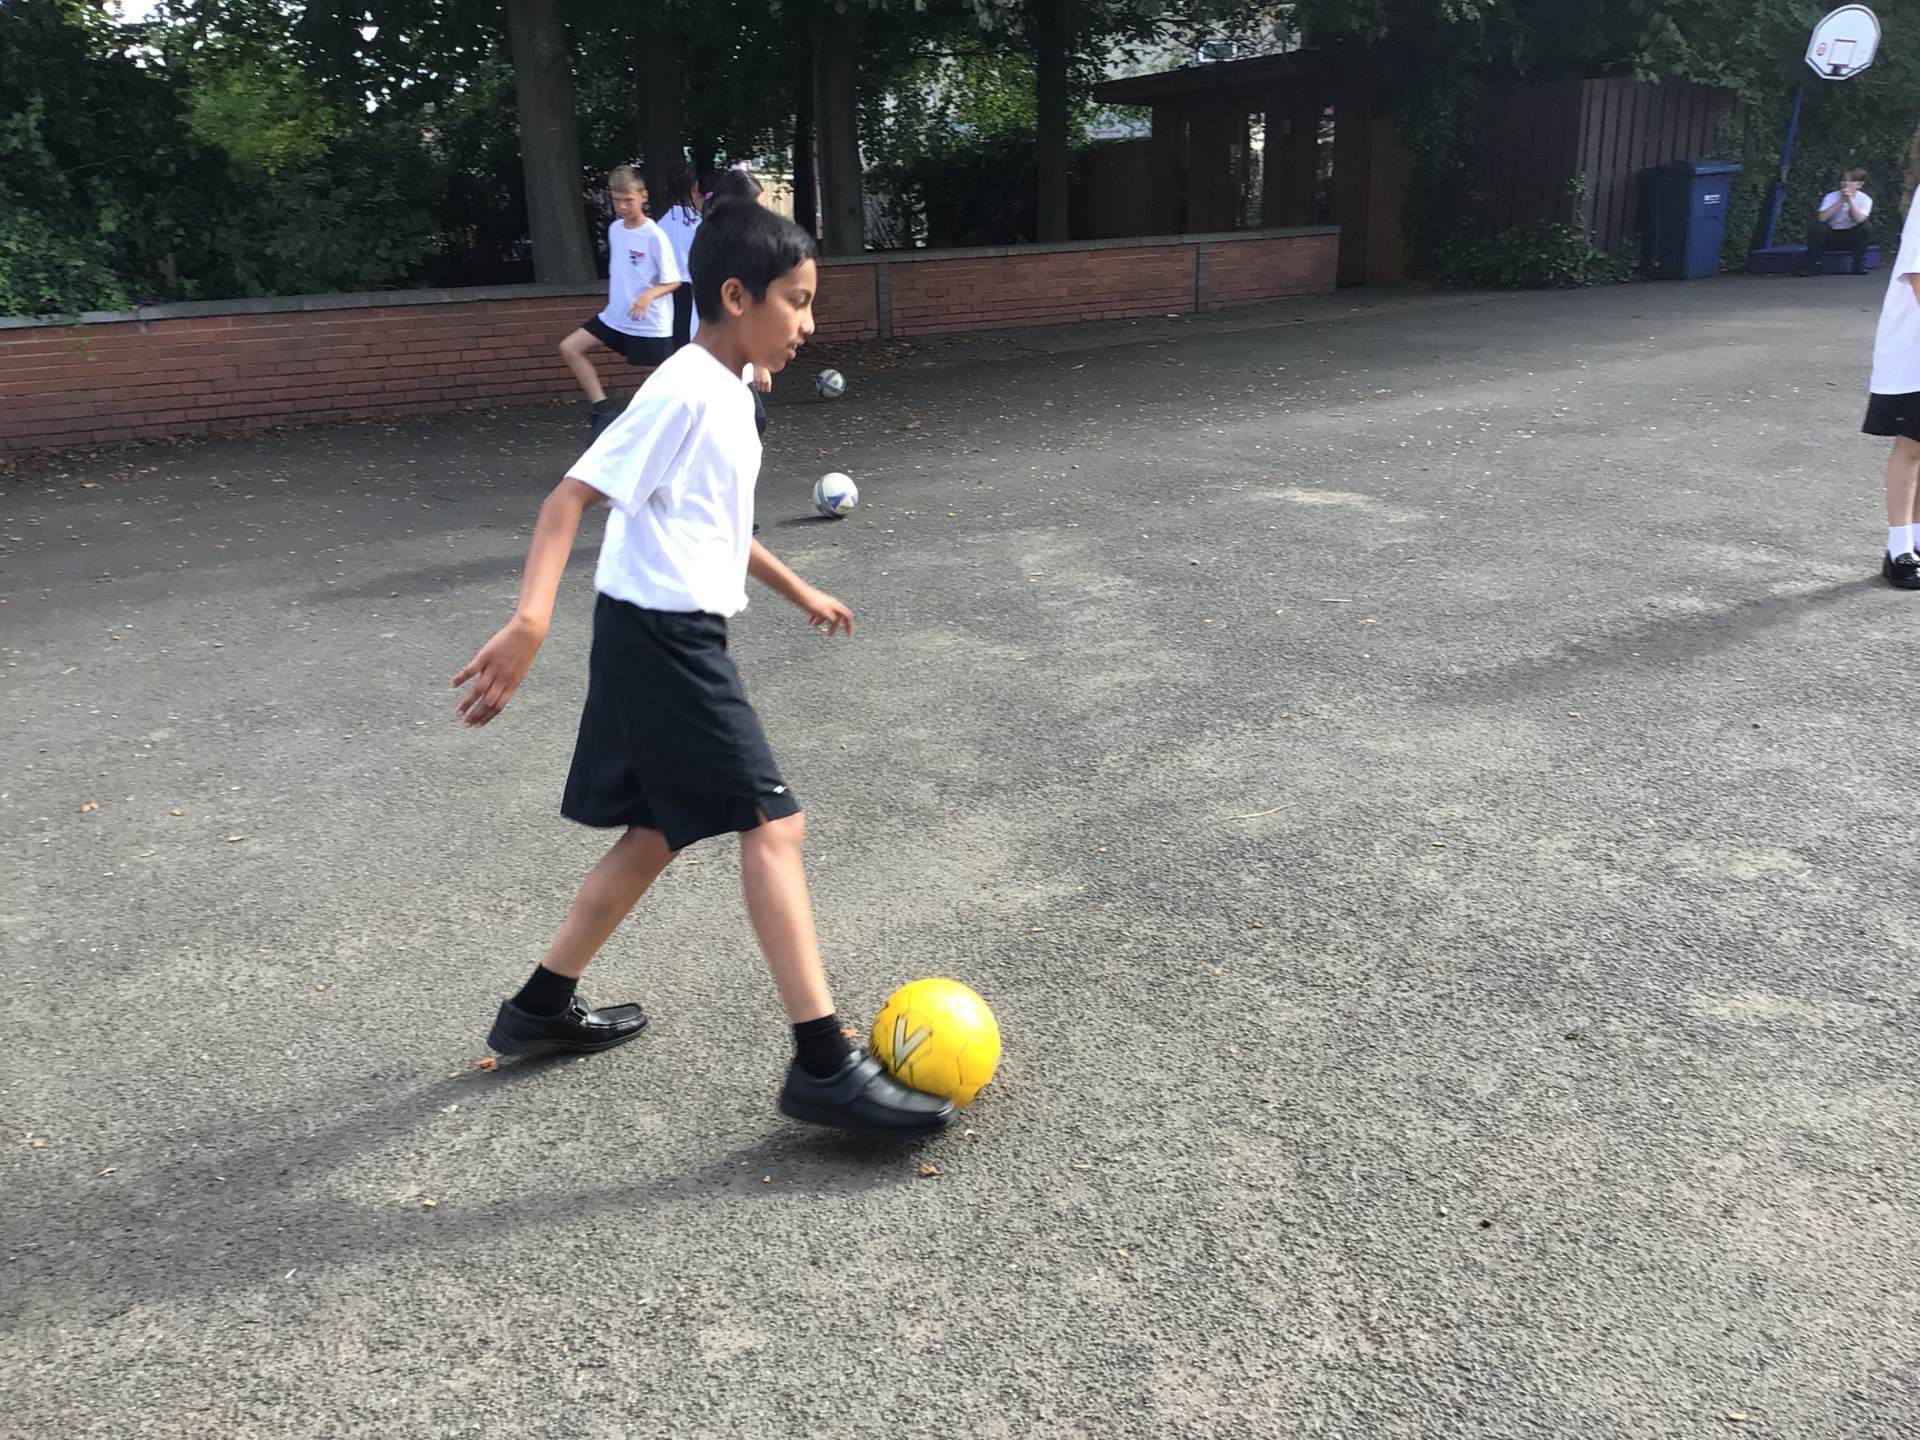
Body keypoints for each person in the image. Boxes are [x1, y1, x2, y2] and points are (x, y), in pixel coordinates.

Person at [451, 201, 956, 1137]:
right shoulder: (681, 389)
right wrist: (528, 621)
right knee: (775, 822)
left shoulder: (732, 389)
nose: (809, 324)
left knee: (656, 832)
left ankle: (538, 1008)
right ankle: (823, 1065)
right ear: (734, 295)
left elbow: (717, 524)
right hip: (662, 640)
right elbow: (568, 500)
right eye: (797, 301)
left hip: (660, 632)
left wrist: (798, 589)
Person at [557, 165, 685, 436]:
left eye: (628, 200)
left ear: (643, 196)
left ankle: (675, 428)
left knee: (665, 382)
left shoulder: (654, 235)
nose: (623, 206)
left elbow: (673, 280)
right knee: (570, 348)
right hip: (615, 317)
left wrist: (647, 296)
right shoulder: (615, 229)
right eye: (617, 200)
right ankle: (603, 410)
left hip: (649, 323)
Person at [1861, 136, 1920, 589]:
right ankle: (1898, 549)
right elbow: (1917, 275)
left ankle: (1915, 538)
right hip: (1914, 350)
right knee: (1911, 444)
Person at [656, 163, 703, 352]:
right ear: (693, 189)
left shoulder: (661, 224)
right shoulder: (699, 223)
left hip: (669, 292)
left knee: (677, 345)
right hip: (694, 290)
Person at [1798, 167, 1874, 276]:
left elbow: (1859, 219)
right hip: (1832, 237)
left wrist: (1850, 200)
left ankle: (1858, 264)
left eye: (1850, 181)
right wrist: (1841, 200)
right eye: (1843, 181)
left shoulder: (1865, 199)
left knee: (1866, 227)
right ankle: (1813, 265)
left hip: (1851, 238)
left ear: (1859, 184)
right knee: (1818, 228)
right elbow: (1822, 218)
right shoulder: (1831, 196)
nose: (1845, 184)